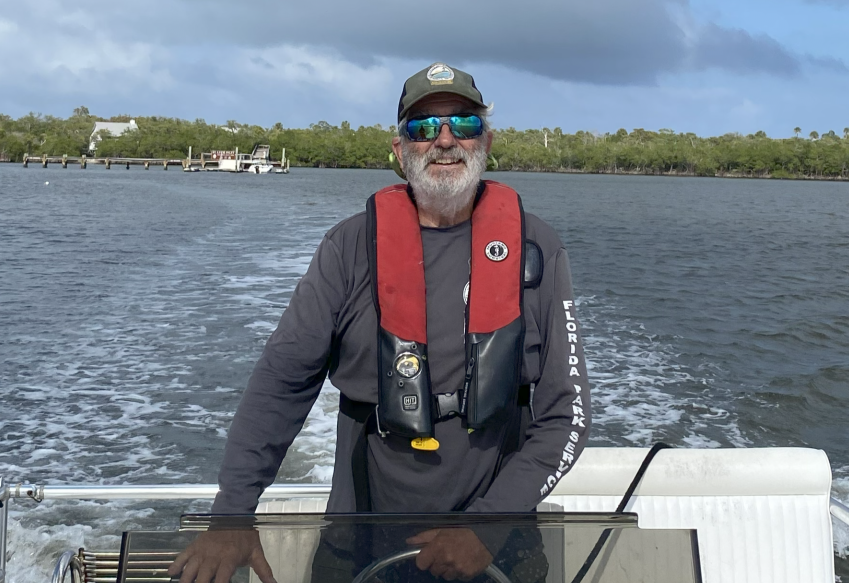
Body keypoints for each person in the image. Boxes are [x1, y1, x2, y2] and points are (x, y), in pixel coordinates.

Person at [169, 63, 592, 583]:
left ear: (486, 140)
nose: (444, 140)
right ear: (399, 150)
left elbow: (565, 413)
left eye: (463, 124)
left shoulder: (536, 249)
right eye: (422, 128)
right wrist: (233, 513)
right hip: (363, 538)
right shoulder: (348, 248)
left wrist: (489, 524)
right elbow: (281, 384)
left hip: (499, 541)